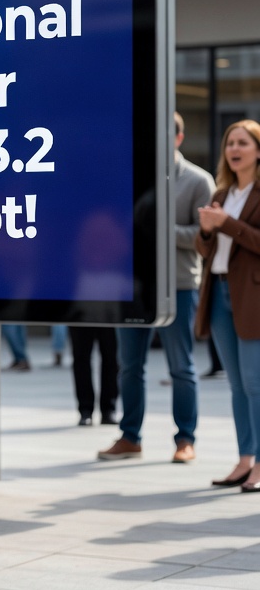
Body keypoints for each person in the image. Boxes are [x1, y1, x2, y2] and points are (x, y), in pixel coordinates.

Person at [100, 113, 214, 463]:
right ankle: (130, 436)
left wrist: (161, 228)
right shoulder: (129, 175)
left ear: (178, 138)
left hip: (179, 285)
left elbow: (204, 237)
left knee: (181, 367)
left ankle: (185, 439)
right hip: (132, 287)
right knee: (129, 366)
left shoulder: (198, 181)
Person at [196, 119, 260, 491]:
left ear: (257, 150)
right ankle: (244, 460)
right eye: (230, 143)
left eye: (243, 143)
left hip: (251, 295)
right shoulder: (221, 193)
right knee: (237, 385)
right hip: (219, 293)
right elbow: (206, 250)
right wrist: (207, 229)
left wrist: (228, 224)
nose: (234, 149)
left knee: (255, 383)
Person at [69, 326, 118, 426]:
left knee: (111, 357)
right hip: (81, 314)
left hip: (109, 314)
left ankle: (108, 409)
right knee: (81, 357)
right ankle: (85, 410)